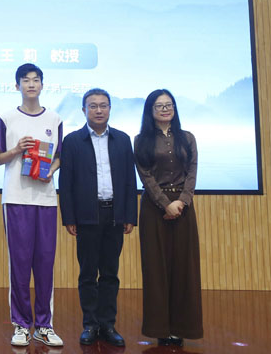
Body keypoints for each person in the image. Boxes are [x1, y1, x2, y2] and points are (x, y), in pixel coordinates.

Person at [58, 88, 137, 347]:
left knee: (111, 273)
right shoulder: (72, 141)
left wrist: (129, 214)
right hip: (87, 215)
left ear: (110, 109)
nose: (99, 110)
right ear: (84, 110)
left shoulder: (123, 140)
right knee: (88, 274)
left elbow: (130, 180)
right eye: (93, 106)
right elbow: (65, 183)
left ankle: (108, 325)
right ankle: (90, 325)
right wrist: (69, 217)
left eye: (104, 105)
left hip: (115, 214)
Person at [0, 64, 64, 347]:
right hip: (16, 198)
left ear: (42, 85)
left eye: (36, 80)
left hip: (45, 199)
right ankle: (21, 324)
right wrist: (16, 150)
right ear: (17, 86)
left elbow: (59, 156)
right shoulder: (7, 118)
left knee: (45, 262)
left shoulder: (55, 118)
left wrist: (52, 171)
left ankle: (44, 325)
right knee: (20, 263)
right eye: (26, 80)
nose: (31, 84)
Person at [134, 89, 202, 347]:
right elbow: (146, 176)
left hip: (184, 208)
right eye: (159, 106)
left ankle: (182, 327)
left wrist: (182, 201)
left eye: (169, 105)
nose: (165, 109)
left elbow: (192, 172)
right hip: (154, 209)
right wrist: (166, 204)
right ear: (150, 111)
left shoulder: (188, 138)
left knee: (185, 268)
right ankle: (161, 328)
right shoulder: (141, 140)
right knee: (156, 268)